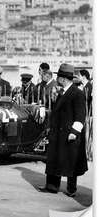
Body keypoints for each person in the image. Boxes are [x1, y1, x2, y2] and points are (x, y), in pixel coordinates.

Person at [38, 63, 88, 197]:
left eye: (58, 76)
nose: (57, 79)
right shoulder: (62, 92)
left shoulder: (77, 94)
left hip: (69, 133)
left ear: (63, 79)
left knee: (72, 162)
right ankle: (52, 186)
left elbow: (80, 115)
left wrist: (74, 132)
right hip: (58, 133)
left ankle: (71, 189)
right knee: (54, 159)